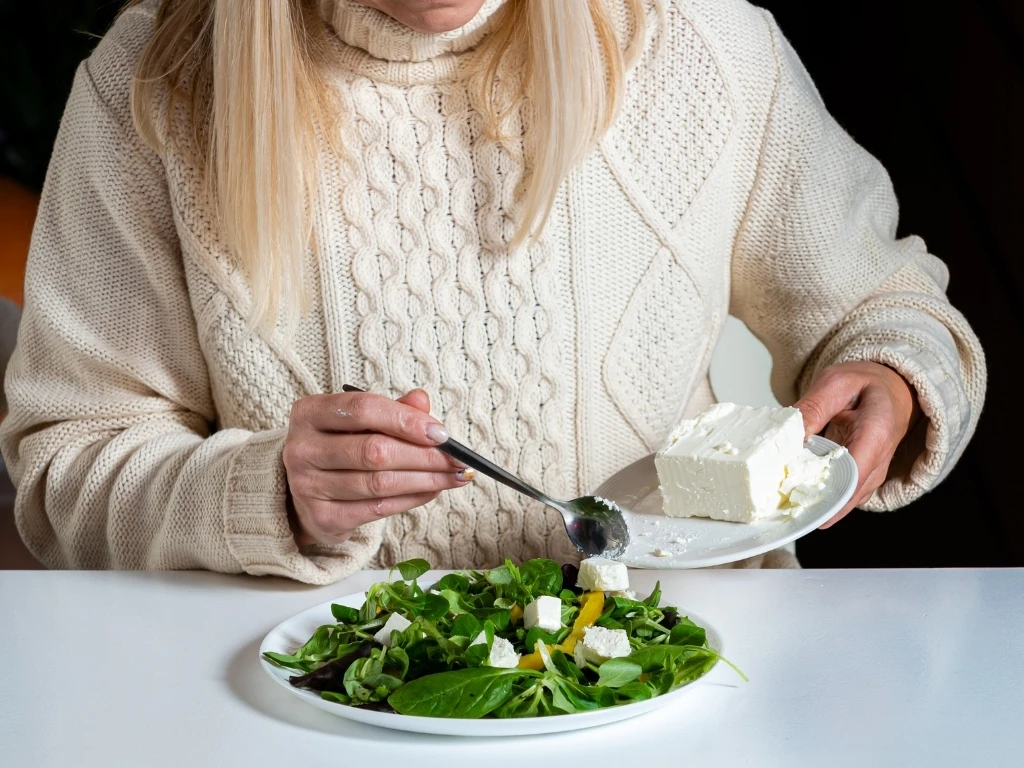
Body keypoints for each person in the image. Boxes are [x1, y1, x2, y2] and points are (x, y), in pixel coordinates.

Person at [0, 0, 985, 583]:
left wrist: (891, 378)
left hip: (684, 693)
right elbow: (68, 465)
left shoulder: (703, 44)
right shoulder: (154, 86)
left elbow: (879, 304)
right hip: (318, 716)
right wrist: (265, 498)